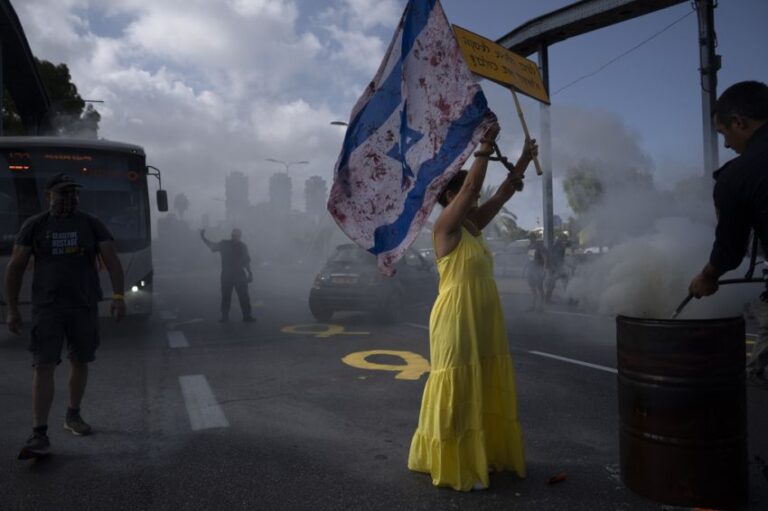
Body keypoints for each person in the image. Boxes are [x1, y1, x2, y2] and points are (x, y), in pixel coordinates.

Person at [408, 118, 537, 491]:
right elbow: (474, 186)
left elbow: (503, 193)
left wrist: (525, 160)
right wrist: (483, 146)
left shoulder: (473, 226)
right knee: (458, 387)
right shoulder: (444, 229)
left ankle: (479, 454)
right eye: (464, 194)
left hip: (482, 317)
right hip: (455, 317)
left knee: (479, 383)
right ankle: (455, 463)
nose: (473, 198)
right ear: (449, 197)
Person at [4, 173, 126, 460]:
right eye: (63, 193)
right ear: (50, 195)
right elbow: (15, 267)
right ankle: (39, 433)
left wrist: (119, 297)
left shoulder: (91, 224)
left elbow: (111, 260)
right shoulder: (35, 225)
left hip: (83, 306)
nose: (69, 198)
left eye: (74, 193)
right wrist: (12, 308)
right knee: (43, 365)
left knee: (80, 360)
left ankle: (73, 415)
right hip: (47, 308)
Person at [688, 81, 768, 384]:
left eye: (724, 134)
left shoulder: (738, 176)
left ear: (740, 122)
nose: (726, 145)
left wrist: (708, 275)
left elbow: (730, 250)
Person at [200, 228, 254, 322]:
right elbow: (212, 245)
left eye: (237, 236)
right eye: (234, 235)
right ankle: (226, 316)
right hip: (228, 275)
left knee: (243, 296)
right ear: (232, 236)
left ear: (239, 236)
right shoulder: (225, 244)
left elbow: (246, 262)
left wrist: (250, 273)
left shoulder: (241, 246)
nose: (235, 237)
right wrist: (203, 237)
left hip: (237, 275)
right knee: (226, 296)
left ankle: (246, 316)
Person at [524, 233, 547, 311]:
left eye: (531, 237)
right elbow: (528, 259)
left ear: (534, 238)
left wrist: (544, 269)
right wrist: (524, 269)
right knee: (533, 289)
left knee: (540, 288)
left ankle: (541, 306)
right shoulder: (529, 247)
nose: (530, 239)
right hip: (531, 269)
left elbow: (545, 257)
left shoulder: (539, 246)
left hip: (538, 270)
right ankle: (533, 306)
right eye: (529, 237)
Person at [545, 233, 571, 303]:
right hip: (555, 267)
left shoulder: (557, 245)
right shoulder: (559, 245)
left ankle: (548, 299)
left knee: (564, 281)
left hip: (556, 267)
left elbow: (560, 257)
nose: (565, 241)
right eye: (565, 239)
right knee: (556, 283)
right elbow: (554, 257)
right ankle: (547, 299)